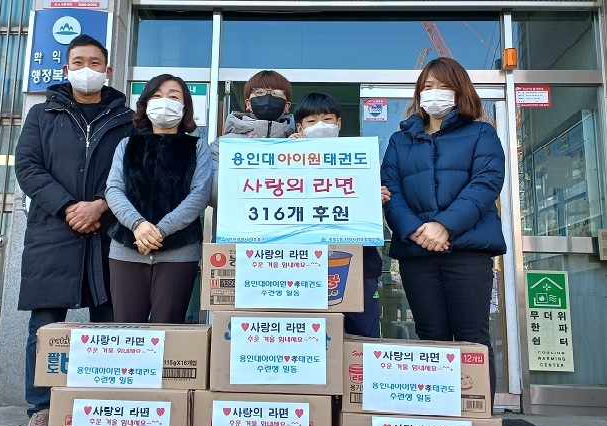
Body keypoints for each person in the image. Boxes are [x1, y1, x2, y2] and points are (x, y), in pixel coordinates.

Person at [15, 35, 135, 426]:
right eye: (78, 62)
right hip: (53, 232)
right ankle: (42, 408)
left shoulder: (127, 119)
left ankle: (103, 402)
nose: (87, 69)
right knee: (45, 326)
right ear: (66, 69)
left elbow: (132, 173)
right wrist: (69, 207)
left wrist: (99, 206)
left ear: (108, 70)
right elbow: (28, 167)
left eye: (95, 62)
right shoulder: (42, 114)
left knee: (109, 321)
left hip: (108, 232)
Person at [381, 57, 506, 402]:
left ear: (460, 90)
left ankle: (478, 417)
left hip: (467, 253)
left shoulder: (481, 133)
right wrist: (416, 230)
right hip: (417, 254)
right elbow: (390, 191)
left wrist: (444, 226)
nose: (434, 93)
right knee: (430, 336)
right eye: (428, 87)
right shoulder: (399, 140)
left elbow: (485, 184)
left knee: (472, 339)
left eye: (444, 86)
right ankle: (439, 416)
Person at [105, 74, 212, 324]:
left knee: (169, 329)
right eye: (157, 96)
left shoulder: (198, 147)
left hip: (179, 251)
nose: (165, 101)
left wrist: (160, 231)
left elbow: (199, 195)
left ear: (185, 107)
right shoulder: (126, 145)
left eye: (174, 97)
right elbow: (113, 189)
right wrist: (138, 225)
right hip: (126, 248)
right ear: (145, 104)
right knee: (127, 329)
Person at [291, 92, 390, 338]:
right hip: (303, 265)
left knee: (362, 338)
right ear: (299, 128)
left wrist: (375, 198)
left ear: (339, 124)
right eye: (312, 121)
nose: (320, 126)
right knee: (314, 338)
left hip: (360, 262)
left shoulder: (359, 159)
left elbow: (372, 214)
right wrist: (288, 153)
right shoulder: (286, 160)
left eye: (327, 119)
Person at [209, 70, 294, 208]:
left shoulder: (298, 144)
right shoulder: (222, 145)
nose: (268, 97)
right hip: (240, 220)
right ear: (248, 103)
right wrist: (246, 161)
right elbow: (211, 195)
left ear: (286, 106)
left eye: (276, 93)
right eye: (259, 92)